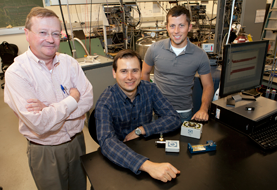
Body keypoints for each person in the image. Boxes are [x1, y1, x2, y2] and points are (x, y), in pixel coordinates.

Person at [4, 7, 93, 190]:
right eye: (43, 32)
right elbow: (39, 124)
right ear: (27, 34)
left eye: (55, 33)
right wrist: (71, 99)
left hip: (77, 142)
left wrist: (49, 109)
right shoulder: (17, 73)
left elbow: (88, 100)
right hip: (45, 151)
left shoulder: (69, 63)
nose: (51, 39)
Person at [95, 49, 182, 183]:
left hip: (146, 149)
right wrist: (148, 166)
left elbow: (174, 118)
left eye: (135, 70)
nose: (130, 77)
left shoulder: (150, 89)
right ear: (114, 73)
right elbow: (107, 142)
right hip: (118, 160)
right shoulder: (105, 101)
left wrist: (143, 130)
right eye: (123, 71)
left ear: (141, 72)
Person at [142, 6, 214, 122]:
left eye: (181, 25)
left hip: (184, 113)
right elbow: (144, 73)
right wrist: (147, 100)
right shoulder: (154, 49)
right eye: (172, 26)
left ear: (189, 27)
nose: (176, 31)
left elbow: (208, 85)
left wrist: (203, 109)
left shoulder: (200, 55)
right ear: (167, 27)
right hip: (159, 111)